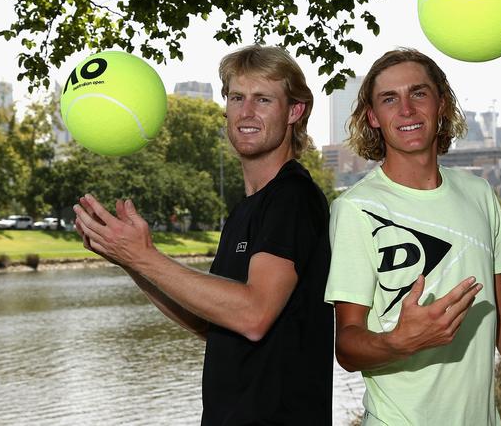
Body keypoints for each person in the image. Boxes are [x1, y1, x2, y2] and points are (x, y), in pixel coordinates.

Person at [73, 45, 334, 425]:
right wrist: (131, 263)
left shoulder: (292, 197)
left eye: (263, 100)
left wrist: (145, 257)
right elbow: (209, 322)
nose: (246, 112)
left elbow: (253, 314)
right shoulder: (246, 209)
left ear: (294, 111)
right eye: (236, 98)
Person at [324, 48, 501, 426]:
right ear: (373, 117)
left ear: (442, 105)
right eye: (389, 99)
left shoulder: (480, 193)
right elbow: (347, 345)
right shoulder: (355, 209)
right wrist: (399, 341)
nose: (405, 109)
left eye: (418, 93)